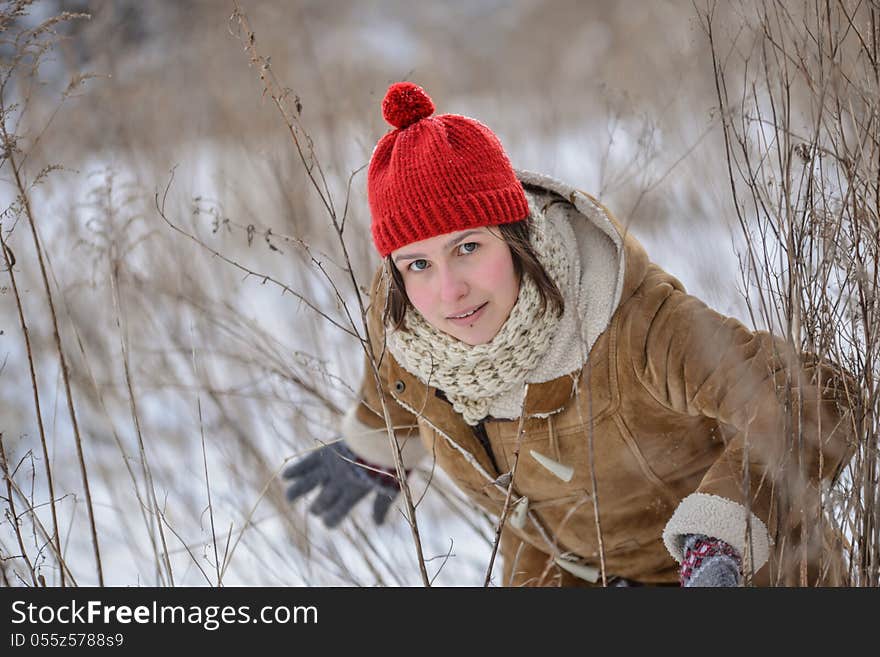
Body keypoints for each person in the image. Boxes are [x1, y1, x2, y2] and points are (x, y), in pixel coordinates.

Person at [284, 82, 856, 587]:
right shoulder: (409, 325)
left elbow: (818, 396)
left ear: (517, 238)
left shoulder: (634, 325)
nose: (448, 292)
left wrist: (721, 535)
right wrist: (377, 450)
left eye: (467, 248)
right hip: (564, 569)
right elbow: (397, 380)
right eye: (418, 264)